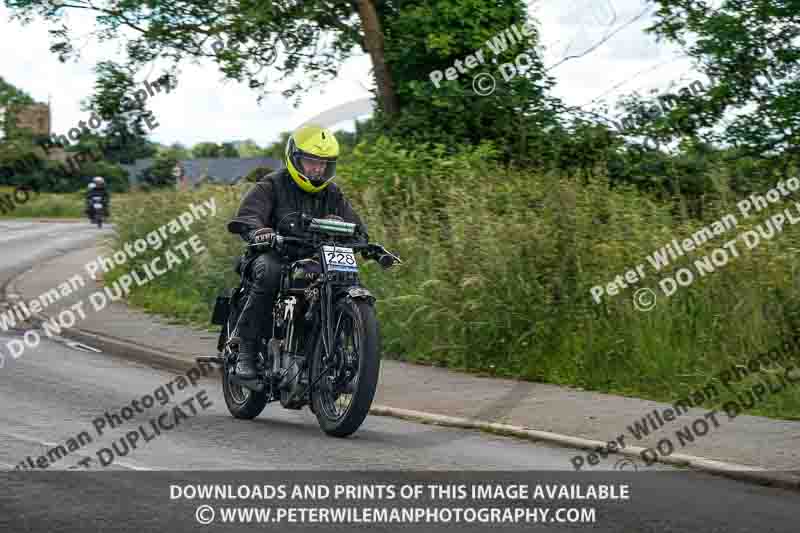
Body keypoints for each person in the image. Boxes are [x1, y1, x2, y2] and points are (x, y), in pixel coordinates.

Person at [226, 124, 368, 381]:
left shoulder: (332, 193)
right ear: (295, 158)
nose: (318, 169)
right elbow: (249, 216)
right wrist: (259, 231)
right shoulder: (272, 185)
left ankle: (330, 349)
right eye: (311, 161)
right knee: (269, 272)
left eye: (323, 163)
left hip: (315, 259)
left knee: (346, 279)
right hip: (276, 253)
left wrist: (363, 239)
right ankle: (245, 349)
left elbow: (357, 227)